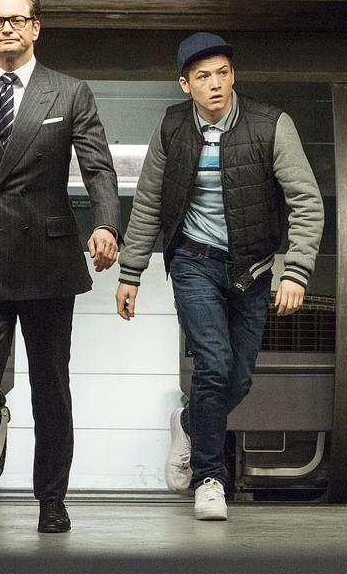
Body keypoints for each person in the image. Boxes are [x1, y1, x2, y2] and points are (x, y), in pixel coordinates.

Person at [0, 0, 121, 537]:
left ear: (36, 27)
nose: (7, 28)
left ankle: (51, 499)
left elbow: (98, 167)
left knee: (49, 387)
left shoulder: (69, 91)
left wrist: (106, 224)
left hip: (47, 258)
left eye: (17, 19)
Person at [115, 32, 323, 520]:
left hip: (252, 268)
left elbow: (306, 200)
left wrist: (296, 271)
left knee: (239, 378)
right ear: (185, 84)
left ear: (233, 76)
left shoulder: (271, 125)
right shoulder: (172, 127)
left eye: (223, 74)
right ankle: (210, 479)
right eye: (204, 76)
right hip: (194, 261)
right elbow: (148, 202)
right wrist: (131, 272)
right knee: (212, 365)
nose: (215, 84)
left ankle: (188, 423)